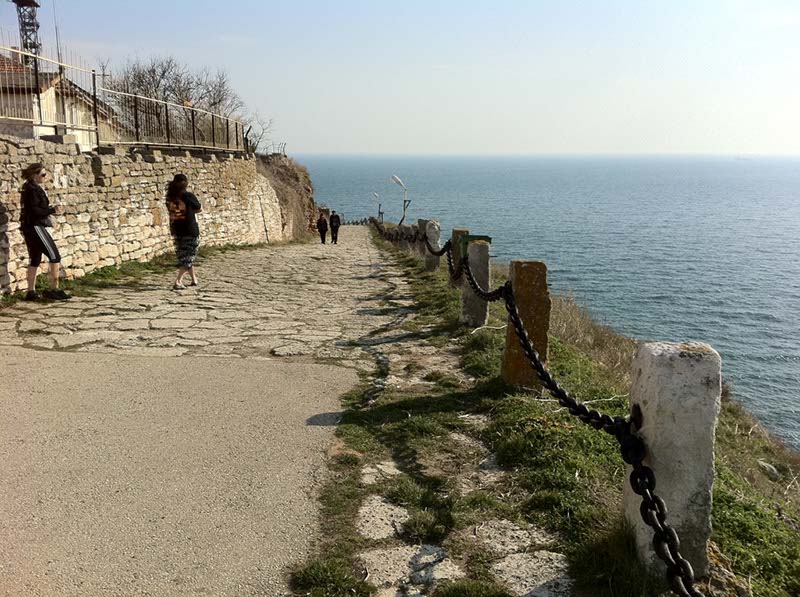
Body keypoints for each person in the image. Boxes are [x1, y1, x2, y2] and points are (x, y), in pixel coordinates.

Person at [19, 163, 70, 301]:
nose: (45, 177)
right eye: (43, 174)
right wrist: (52, 210)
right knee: (54, 256)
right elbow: (34, 211)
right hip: (35, 226)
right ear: (34, 175)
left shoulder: (30, 188)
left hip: (30, 226)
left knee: (35, 258)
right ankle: (53, 289)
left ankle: (31, 292)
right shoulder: (32, 189)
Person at [165, 173, 202, 290]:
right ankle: (178, 281)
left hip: (177, 229)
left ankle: (193, 279)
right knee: (188, 256)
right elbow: (199, 208)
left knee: (185, 255)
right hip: (190, 229)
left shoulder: (170, 198)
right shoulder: (188, 196)